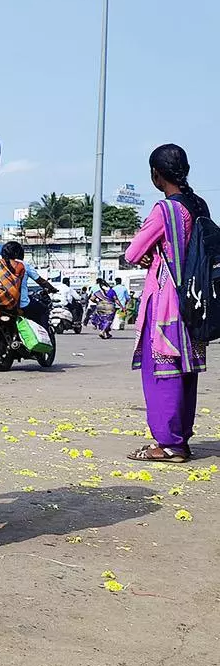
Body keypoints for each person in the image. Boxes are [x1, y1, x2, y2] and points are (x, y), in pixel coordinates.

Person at [123, 144, 208, 463]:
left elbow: (133, 252)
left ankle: (168, 444)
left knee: (162, 371)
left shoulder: (165, 210)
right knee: (188, 371)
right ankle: (180, 438)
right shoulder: (199, 206)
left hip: (167, 303)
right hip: (196, 301)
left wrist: (151, 253)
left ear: (156, 175)